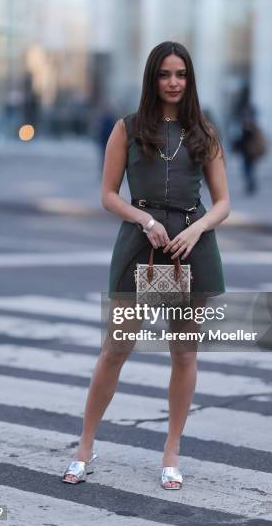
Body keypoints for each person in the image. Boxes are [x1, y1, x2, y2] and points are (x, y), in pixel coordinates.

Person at [61, 41, 230, 490]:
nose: (173, 83)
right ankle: (85, 446)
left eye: (181, 75)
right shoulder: (129, 128)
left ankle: (171, 450)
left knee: (184, 352)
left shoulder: (204, 131)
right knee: (116, 349)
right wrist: (144, 218)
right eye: (164, 74)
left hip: (190, 249)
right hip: (143, 245)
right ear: (152, 79)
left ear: (189, 80)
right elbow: (109, 194)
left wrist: (196, 230)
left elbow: (224, 202)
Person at [232, 102, 266, 194]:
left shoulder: (251, 127)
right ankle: (250, 184)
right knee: (248, 169)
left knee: (247, 169)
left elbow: (247, 140)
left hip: (250, 152)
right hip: (247, 152)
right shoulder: (246, 126)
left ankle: (250, 184)